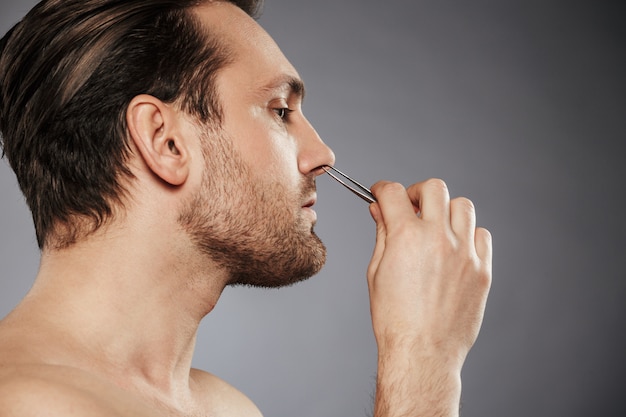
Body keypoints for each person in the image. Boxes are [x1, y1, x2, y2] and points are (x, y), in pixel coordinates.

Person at [0, 0, 492, 416]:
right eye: (281, 111)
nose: (321, 155)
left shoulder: (225, 407)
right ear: (166, 142)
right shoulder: (29, 403)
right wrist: (423, 359)